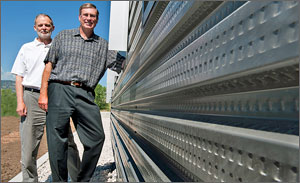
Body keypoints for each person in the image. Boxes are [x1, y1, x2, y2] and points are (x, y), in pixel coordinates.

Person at [38, 3, 124, 182]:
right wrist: (43, 93)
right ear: (79, 17)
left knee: (96, 137)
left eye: (92, 16)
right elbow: (49, 66)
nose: (89, 18)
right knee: (57, 142)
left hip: (85, 94)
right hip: (59, 89)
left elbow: (123, 64)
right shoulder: (64, 36)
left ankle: (82, 180)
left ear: (97, 19)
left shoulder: (103, 45)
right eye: (85, 14)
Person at [11, 13, 80, 182]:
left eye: (47, 25)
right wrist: (20, 101)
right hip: (31, 99)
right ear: (35, 28)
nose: (44, 28)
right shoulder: (26, 48)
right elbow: (19, 76)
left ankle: (79, 178)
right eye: (40, 25)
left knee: (67, 143)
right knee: (28, 149)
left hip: (56, 98)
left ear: (52, 28)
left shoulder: (60, 47)